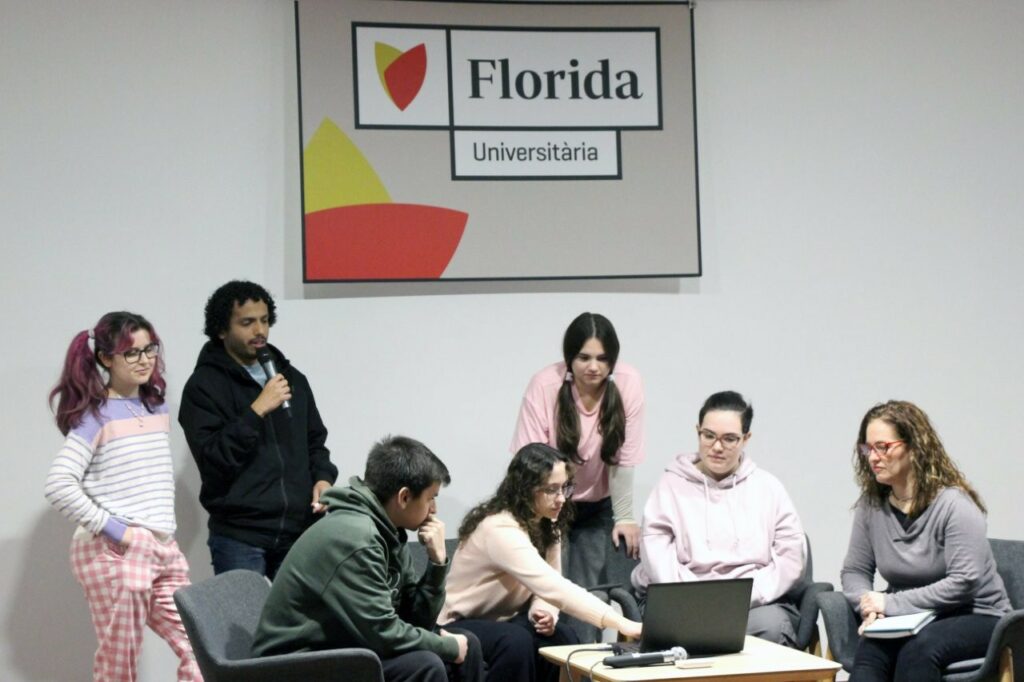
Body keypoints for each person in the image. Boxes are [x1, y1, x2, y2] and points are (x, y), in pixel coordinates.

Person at [43, 312, 202, 682]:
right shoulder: (95, 416)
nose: (144, 359)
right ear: (105, 358)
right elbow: (58, 484)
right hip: (115, 550)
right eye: (131, 353)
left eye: (149, 349)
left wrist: (156, 538)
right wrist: (122, 532)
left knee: (202, 648)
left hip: (162, 547)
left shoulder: (155, 405)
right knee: (119, 667)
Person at [252, 435, 484, 682]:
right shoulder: (356, 538)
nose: (434, 509)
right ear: (404, 497)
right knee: (426, 664)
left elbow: (415, 620)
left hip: (344, 648)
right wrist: (446, 647)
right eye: (431, 498)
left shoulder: (389, 532)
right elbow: (383, 632)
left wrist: (437, 564)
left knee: (468, 645)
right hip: (294, 664)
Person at [440, 443, 643, 682]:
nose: (561, 498)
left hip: (507, 620)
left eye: (565, 488)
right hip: (460, 622)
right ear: (525, 490)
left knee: (562, 636)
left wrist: (543, 611)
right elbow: (553, 587)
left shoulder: (548, 523)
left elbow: (548, 587)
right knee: (515, 642)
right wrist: (622, 623)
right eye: (551, 490)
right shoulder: (499, 528)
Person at [840, 400, 1010, 681]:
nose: (873, 458)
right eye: (868, 448)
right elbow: (855, 570)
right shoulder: (871, 506)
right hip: (911, 615)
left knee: (918, 649)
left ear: (914, 447)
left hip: (977, 614)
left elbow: (964, 582)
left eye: (883, 447)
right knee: (871, 648)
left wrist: (890, 604)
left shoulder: (955, 505)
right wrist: (868, 607)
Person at [178, 280, 337, 579]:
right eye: (247, 322)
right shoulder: (203, 387)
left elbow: (315, 442)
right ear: (222, 329)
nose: (259, 330)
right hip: (240, 537)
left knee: (303, 612)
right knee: (242, 611)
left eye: (264, 321)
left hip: (299, 532)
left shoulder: (291, 378)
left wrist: (323, 478)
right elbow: (213, 460)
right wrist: (256, 411)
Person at [631, 390, 806, 647]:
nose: (716, 447)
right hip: (681, 600)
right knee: (682, 631)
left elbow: (790, 555)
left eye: (729, 439)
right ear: (698, 431)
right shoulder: (669, 486)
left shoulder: (769, 488)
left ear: (746, 438)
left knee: (772, 627)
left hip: (750, 605)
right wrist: (701, 599)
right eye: (709, 435)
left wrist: (745, 596)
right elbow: (656, 552)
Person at [511, 313, 645, 638]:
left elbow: (624, 457)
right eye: (584, 357)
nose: (593, 367)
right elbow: (531, 462)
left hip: (595, 508)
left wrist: (625, 516)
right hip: (547, 503)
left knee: (589, 598)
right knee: (549, 592)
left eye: (602, 358)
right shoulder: (545, 385)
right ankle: (551, 662)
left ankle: (584, 663)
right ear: (570, 357)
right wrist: (544, 513)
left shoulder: (628, 383)